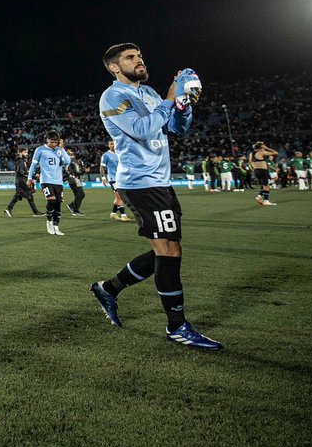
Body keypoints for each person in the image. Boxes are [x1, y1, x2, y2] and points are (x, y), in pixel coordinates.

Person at [89, 43, 220, 350]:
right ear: (114, 68)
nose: (140, 61)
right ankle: (177, 326)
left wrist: (183, 106)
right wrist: (170, 99)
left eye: (141, 56)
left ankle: (108, 289)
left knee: (167, 250)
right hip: (139, 183)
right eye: (131, 58)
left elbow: (175, 128)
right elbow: (144, 129)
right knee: (170, 251)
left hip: (160, 181)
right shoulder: (113, 96)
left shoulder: (148, 94)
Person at [28, 132, 70, 236]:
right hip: (46, 180)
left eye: (56, 142)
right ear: (47, 140)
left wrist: (62, 148)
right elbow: (33, 165)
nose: (54, 144)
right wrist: (30, 178)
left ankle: (56, 227)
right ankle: (49, 222)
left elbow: (68, 161)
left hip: (58, 181)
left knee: (58, 204)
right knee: (52, 200)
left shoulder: (58, 150)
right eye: (52, 142)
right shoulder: (40, 150)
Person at [4, 148, 41, 218]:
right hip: (21, 182)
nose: (26, 154)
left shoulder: (21, 161)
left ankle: (8, 209)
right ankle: (35, 212)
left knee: (18, 196)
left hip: (21, 182)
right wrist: (32, 175)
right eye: (25, 152)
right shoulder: (20, 161)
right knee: (29, 196)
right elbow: (20, 172)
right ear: (20, 153)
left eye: (27, 152)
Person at [99, 141, 130, 221]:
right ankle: (123, 215)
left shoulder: (120, 153)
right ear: (109, 145)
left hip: (121, 178)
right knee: (120, 196)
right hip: (113, 179)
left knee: (118, 197)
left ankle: (113, 213)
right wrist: (103, 178)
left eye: (114, 143)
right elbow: (102, 167)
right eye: (111, 144)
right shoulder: (106, 155)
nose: (113, 145)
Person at [249, 141, 279, 206]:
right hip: (263, 170)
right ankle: (266, 200)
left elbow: (250, 162)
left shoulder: (251, 154)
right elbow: (276, 153)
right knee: (267, 185)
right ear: (261, 147)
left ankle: (259, 196)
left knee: (264, 185)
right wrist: (267, 148)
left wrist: (254, 168)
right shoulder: (261, 152)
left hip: (256, 170)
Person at [64, 149, 87, 217]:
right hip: (73, 180)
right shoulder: (69, 163)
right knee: (81, 194)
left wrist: (83, 168)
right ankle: (75, 210)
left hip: (76, 180)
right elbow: (75, 173)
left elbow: (81, 171)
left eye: (73, 154)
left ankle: (72, 206)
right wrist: (82, 171)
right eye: (70, 155)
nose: (72, 156)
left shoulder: (77, 162)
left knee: (78, 195)